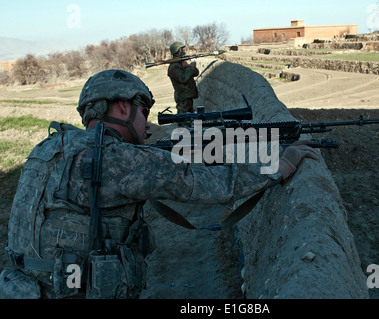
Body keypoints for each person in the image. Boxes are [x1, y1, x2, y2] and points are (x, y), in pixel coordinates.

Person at [0, 69, 320, 299]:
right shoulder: (117, 159)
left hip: (25, 287)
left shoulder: (48, 147)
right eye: (144, 111)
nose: (148, 125)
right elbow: (206, 184)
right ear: (123, 107)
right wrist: (278, 166)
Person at [167, 41, 199, 114]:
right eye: (182, 49)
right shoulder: (173, 66)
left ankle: (196, 126)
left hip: (189, 96)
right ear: (178, 51)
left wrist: (190, 66)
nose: (184, 51)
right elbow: (183, 78)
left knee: (193, 119)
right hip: (183, 98)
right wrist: (190, 68)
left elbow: (196, 73)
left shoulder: (182, 63)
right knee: (183, 121)